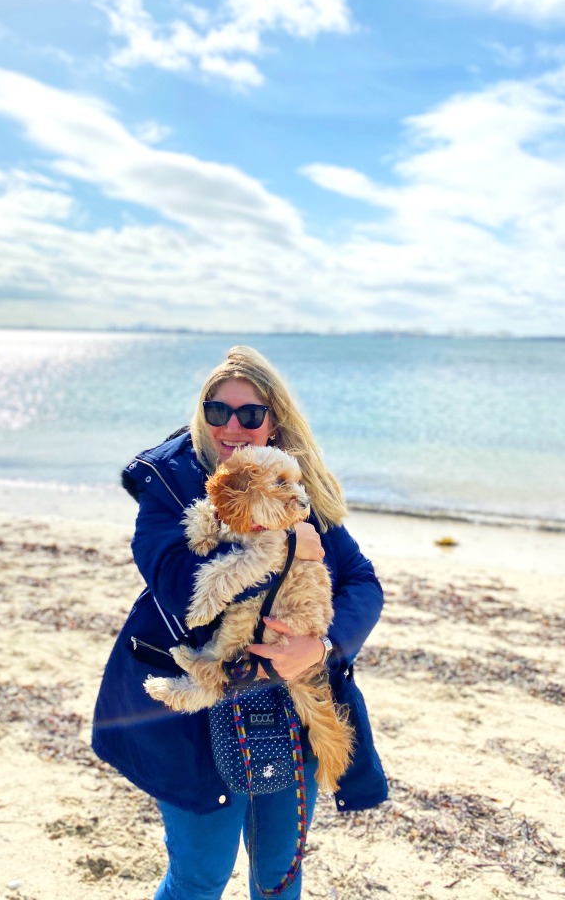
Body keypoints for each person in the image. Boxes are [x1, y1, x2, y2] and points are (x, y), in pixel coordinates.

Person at [93, 345, 387, 899]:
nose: (233, 426)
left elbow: (363, 584)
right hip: (195, 712)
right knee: (198, 879)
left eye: (250, 414)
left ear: (273, 421)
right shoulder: (167, 483)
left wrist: (321, 648)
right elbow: (181, 588)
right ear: (201, 414)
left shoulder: (294, 487)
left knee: (278, 880)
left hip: (287, 702)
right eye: (217, 410)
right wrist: (283, 548)